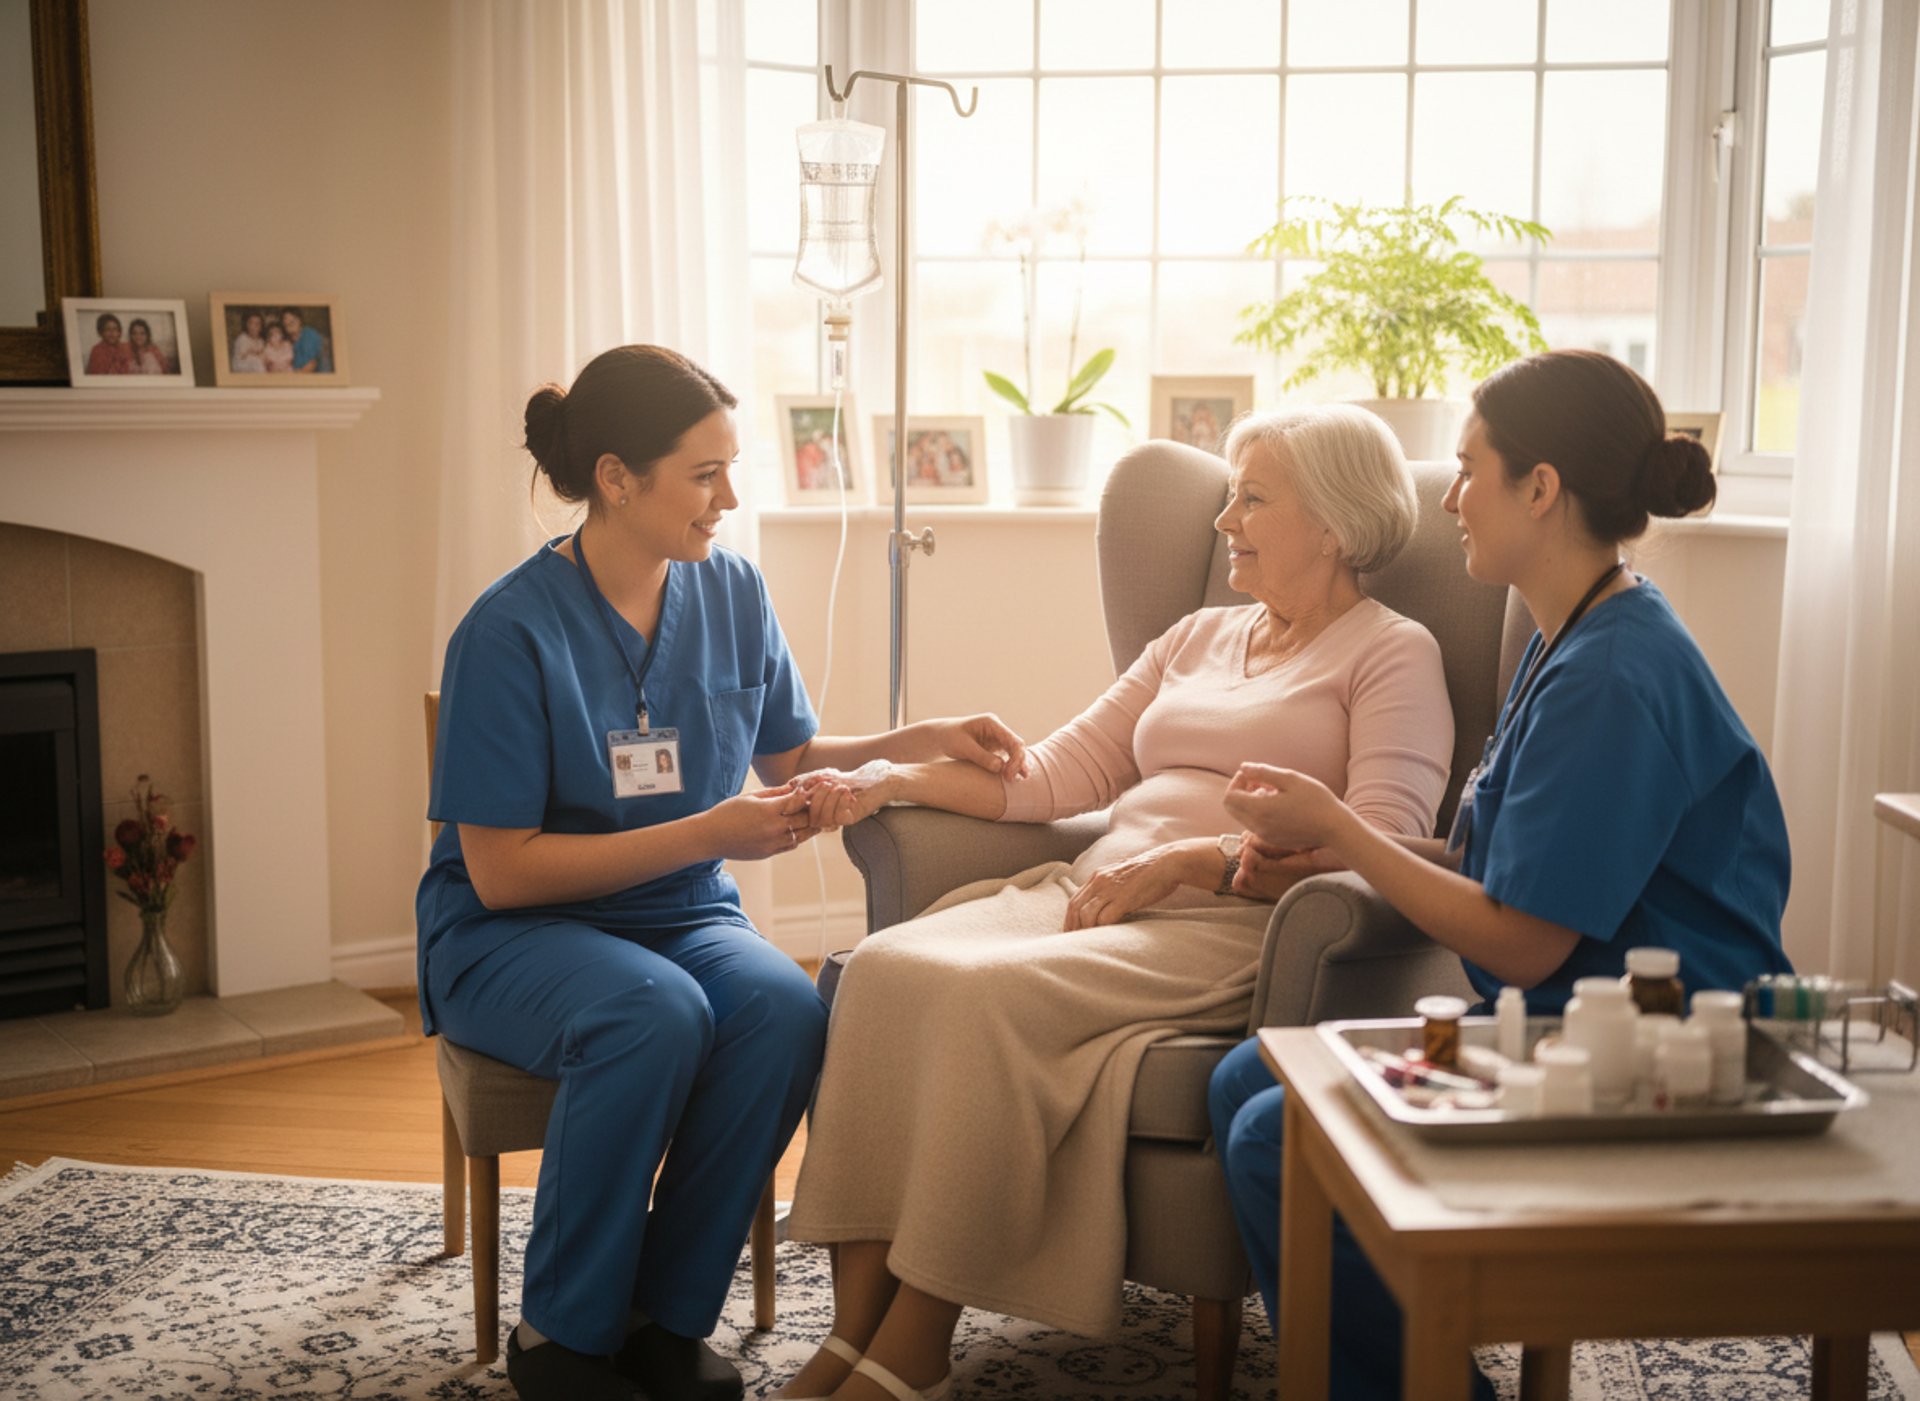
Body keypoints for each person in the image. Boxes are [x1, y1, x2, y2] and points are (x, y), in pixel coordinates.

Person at [776, 405, 1456, 1401]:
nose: (1225, 519)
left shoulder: (1393, 652)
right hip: (1096, 895)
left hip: (1233, 929)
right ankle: (852, 1333)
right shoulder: (1195, 637)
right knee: (879, 968)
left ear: (1335, 524)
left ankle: (917, 1339)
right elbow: (1052, 776)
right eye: (1228, 493)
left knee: (978, 1000)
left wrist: (1194, 861)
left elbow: (1382, 846)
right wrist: (893, 778)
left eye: (1253, 497)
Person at [420, 344, 1030, 1401]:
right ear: (617, 477)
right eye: (705, 475)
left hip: (678, 913)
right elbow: (506, 873)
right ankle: (560, 1339)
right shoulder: (508, 631)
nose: (730, 499)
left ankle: (662, 1319)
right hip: (510, 933)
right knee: (651, 1013)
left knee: (785, 1012)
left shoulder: (730, 590)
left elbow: (790, 761)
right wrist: (711, 832)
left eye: (729, 469)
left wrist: (921, 736)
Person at [1208, 349, 1794, 1400]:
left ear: (1541, 487)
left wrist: (1339, 821)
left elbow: (1522, 936)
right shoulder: (1571, 629)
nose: (1449, 498)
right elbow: (1500, 866)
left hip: (1653, 1048)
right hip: (1566, 1019)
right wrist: (1334, 846)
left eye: (1471, 470)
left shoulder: (1614, 672)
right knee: (1249, 1077)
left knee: (1270, 1134)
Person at [284, 307, 331, 373]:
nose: (290, 322)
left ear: (300, 320)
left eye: (293, 319)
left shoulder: (309, 335)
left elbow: (311, 365)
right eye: (286, 320)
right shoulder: (287, 340)